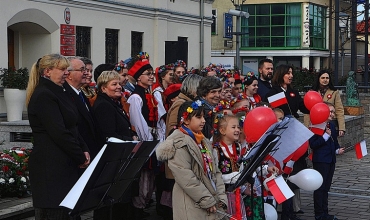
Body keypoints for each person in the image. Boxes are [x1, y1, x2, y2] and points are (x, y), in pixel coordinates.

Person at [26, 54, 90, 219]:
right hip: (52, 167)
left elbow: (73, 125)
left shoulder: (59, 92)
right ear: (47, 71)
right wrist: (79, 155)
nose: (66, 73)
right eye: (62, 69)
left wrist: (84, 148)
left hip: (64, 164)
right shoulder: (44, 95)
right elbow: (59, 132)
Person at [156, 100, 228, 220]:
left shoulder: (203, 141)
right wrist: (206, 199)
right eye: (198, 117)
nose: (203, 121)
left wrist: (221, 197)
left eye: (204, 117)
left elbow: (215, 171)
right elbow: (186, 177)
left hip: (211, 199)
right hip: (191, 203)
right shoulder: (179, 143)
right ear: (186, 119)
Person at [92, 71, 138, 220]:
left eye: (119, 83)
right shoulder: (103, 105)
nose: (119, 86)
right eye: (114, 84)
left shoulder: (113, 103)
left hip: (120, 158)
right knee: (109, 206)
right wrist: (131, 139)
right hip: (112, 161)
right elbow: (108, 135)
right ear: (103, 88)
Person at [127, 52, 157, 218]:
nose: (151, 77)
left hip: (151, 140)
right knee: (143, 178)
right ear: (138, 78)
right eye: (148, 74)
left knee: (150, 178)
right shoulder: (136, 97)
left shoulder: (148, 95)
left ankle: (142, 205)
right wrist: (148, 142)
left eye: (152, 74)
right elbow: (138, 123)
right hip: (144, 142)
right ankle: (137, 208)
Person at [309, 102, 344, 220]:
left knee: (326, 187)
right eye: (330, 112)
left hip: (330, 160)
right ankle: (319, 213)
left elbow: (334, 142)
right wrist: (325, 137)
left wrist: (337, 150)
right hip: (321, 160)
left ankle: (325, 211)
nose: (332, 114)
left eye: (333, 112)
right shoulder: (316, 126)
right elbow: (313, 144)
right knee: (320, 187)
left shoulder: (332, 126)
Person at [64, 57, 101, 160]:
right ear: (69, 74)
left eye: (87, 70)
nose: (86, 73)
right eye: (82, 70)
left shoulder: (80, 93)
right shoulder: (66, 95)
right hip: (80, 154)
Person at [305, 70, 345, 136]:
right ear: (318, 79)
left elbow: (339, 110)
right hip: (316, 122)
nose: (325, 80)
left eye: (327, 78)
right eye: (323, 78)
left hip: (330, 121)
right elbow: (307, 111)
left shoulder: (334, 92)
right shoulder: (311, 92)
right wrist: (307, 127)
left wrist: (341, 128)